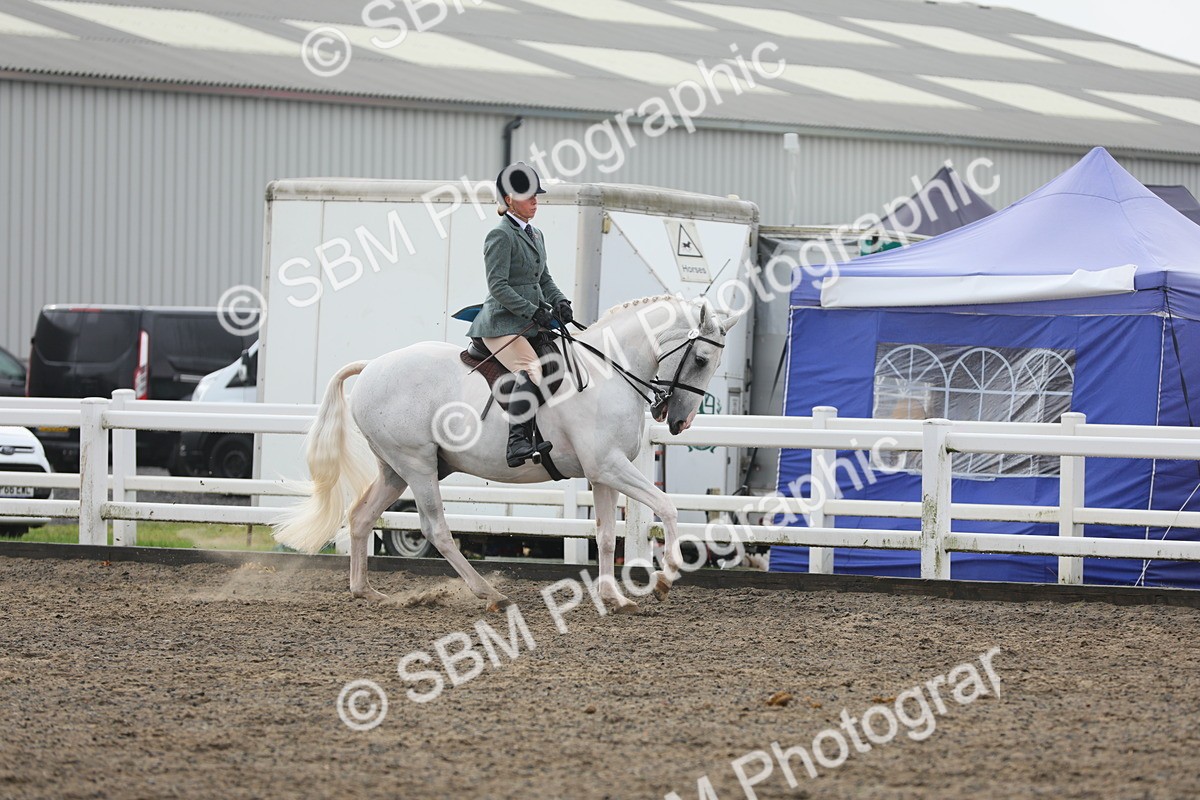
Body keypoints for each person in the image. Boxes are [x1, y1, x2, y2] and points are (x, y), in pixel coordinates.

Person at [467, 162, 573, 467]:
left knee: (559, 366)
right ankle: (516, 443)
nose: (536, 201)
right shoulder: (499, 236)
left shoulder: (536, 234)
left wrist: (560, 301)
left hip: (529, 322)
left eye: (537, 195)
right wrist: (533, 310)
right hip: (502, 322)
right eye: (529, 196)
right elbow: (498, 286)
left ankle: (537, 430)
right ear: (510, 199)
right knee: (532, 370)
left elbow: (544, 280)